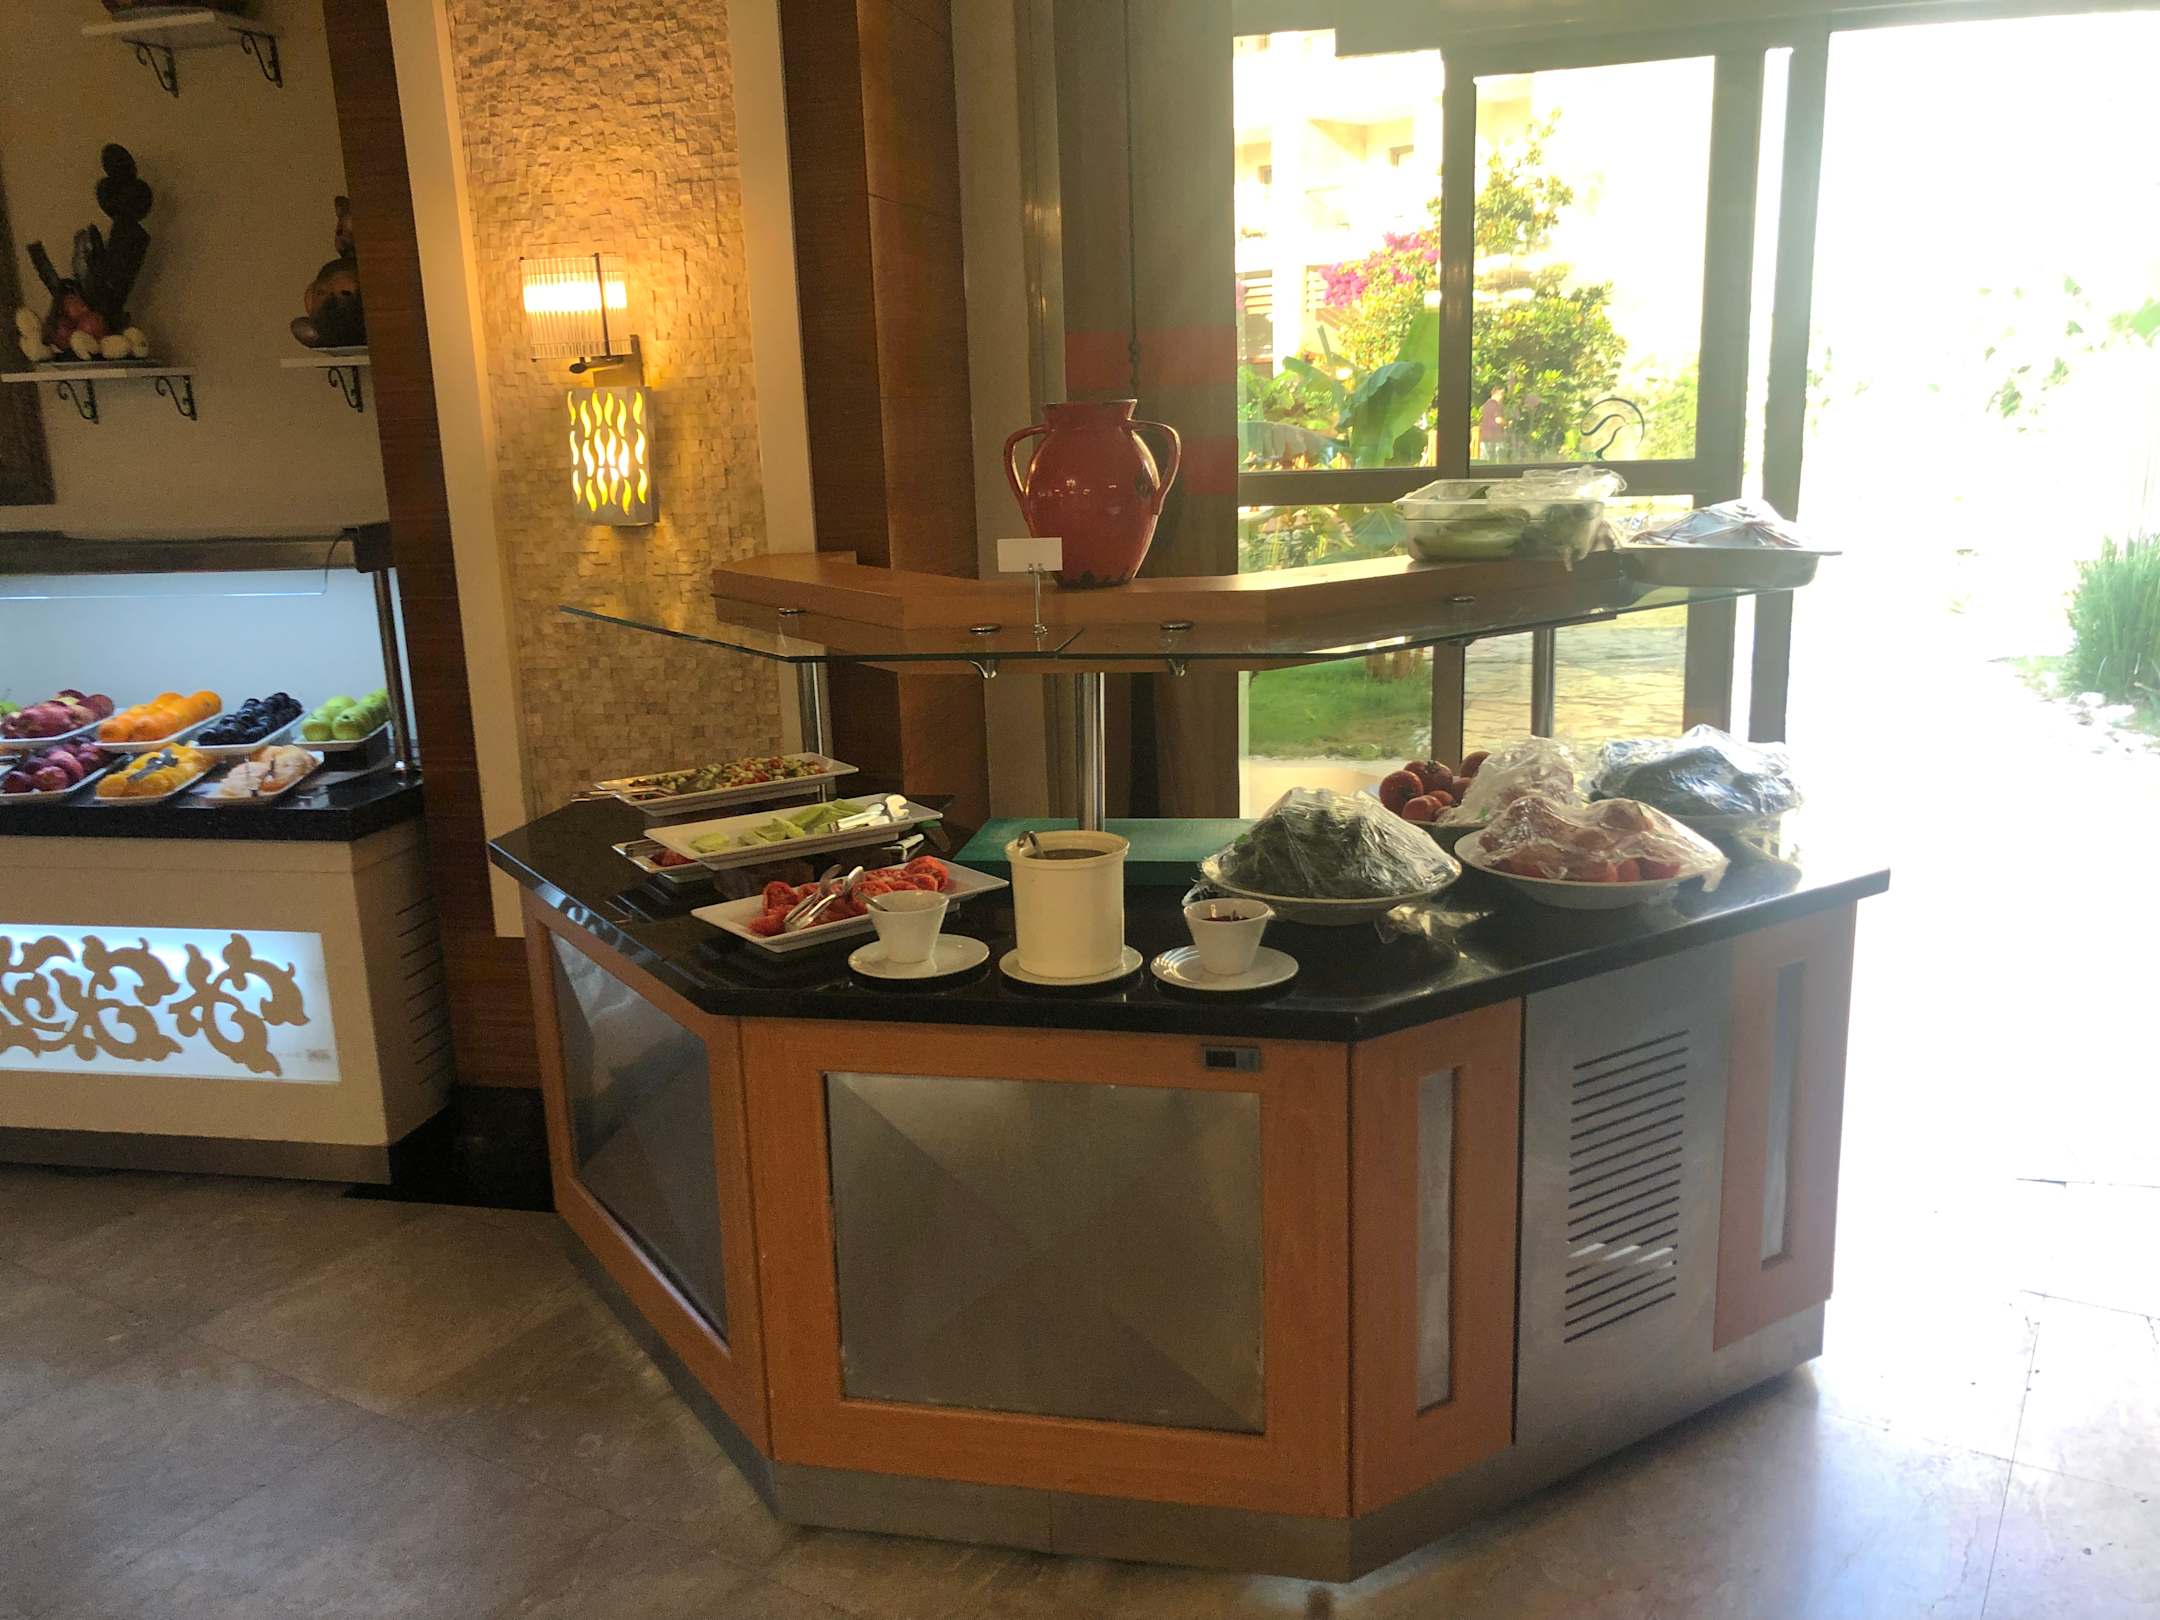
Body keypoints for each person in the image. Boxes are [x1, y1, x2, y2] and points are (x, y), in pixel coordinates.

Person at [1478, 386, 1506, 461]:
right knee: (1497, 462)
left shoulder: (1485, 405)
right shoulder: (1496, 405)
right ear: (1495, 393)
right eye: (1502, 394)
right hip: (1495, 438)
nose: (1503, 397)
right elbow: (1498, 420)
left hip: (1485, 437)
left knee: (1485, 462)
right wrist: (1507, 423)